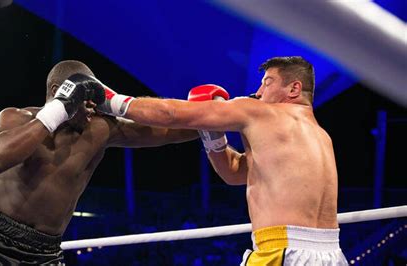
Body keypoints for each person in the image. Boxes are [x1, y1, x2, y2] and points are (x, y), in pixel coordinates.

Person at [93, 56, 349, 265]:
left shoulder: (260, 111)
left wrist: (107, 99)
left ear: (293, 88)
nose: (258, 91)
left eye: (268, 82)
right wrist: (212, 133)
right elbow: (235, 172)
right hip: (332, 253)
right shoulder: (320, 136)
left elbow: (170, 114)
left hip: (282, 251)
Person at [0, 60, 198, 265]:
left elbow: (170, 132)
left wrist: (215, 116)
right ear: (58, 92)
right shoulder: (17, 118)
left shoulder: (99, 129)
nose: (92, 109)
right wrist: (56, 112)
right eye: (85, 100)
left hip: (45, 253)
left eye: (94, 101)